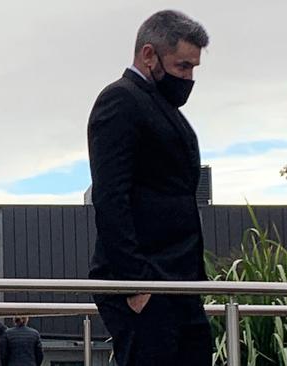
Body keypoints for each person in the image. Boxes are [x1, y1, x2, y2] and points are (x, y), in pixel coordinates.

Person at [87, 10, 212, 366]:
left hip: (177, 279)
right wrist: (134, 285)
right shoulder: (121, 100)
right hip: (145, 279)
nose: (188, 77)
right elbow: (110, 195)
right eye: (182, 66)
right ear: (148, 54)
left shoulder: (164, 107)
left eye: (193, 69)